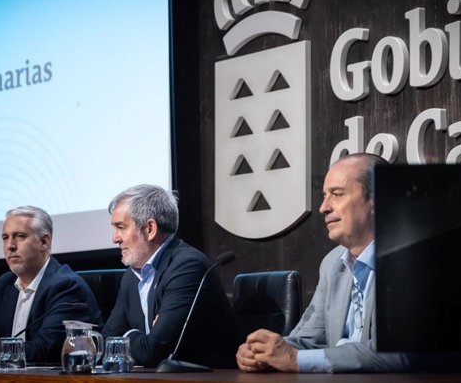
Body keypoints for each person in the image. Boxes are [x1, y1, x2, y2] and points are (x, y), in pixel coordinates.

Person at [236, 153, 412, 373]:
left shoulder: (411, 259)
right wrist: (264, 353)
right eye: (324, 196)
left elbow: (398, 352)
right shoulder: (332, 264)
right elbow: (307, 338)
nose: (323, 207)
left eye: (337, 194)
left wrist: (295, 359)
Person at [0, 206, 103, 365]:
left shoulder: (66, 286)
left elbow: (44, 349)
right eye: (5, 238)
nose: (10, 246)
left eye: (20, 236)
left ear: (44, 242)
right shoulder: (6, 284)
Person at [102, 184, 237, 368]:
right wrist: (140, 338)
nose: (115, 238)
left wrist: (127, 335)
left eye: (121, 227)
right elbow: (105, 341)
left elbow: (155, 351)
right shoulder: (132, 276)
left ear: (150, 229)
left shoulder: (187, 267)